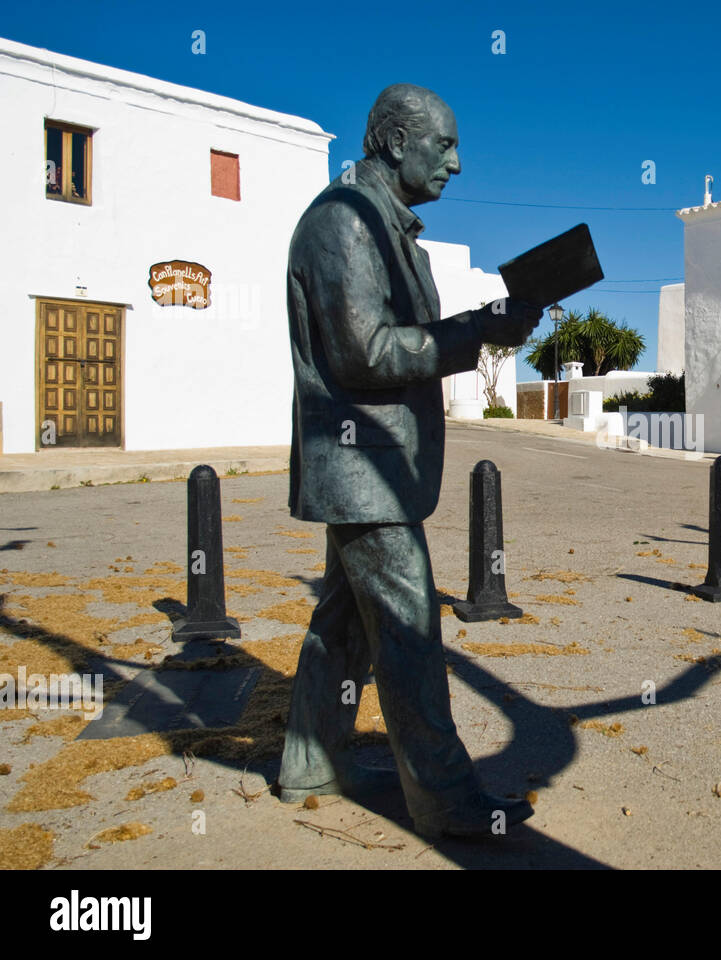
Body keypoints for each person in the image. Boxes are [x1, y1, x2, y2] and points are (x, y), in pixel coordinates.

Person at [276, 83, 541, 839]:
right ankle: (447, 798)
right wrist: (473, 337)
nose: (457, 162)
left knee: (344, 625)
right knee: (410, 633)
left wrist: (485, 323)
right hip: (364, 470)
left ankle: (309, 759)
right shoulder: (344, 222)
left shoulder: (389, 228)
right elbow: (364, 353)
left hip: (373, 469)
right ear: (395, 142)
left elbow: (405, 335)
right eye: (444, 145)